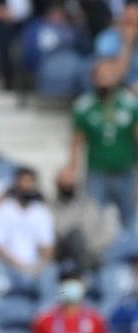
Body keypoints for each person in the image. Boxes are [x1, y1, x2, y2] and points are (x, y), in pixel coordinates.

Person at [64, 59, 138, 230]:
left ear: (117, 78)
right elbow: (77, 142)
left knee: (130, 220)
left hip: (124, 171)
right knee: (95, 219)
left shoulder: (130, 104)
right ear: (93, 78)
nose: (105, 79)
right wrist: (72, 169)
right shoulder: (84, 105)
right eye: (101, 75)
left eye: (109, 75)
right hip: (97, 172)